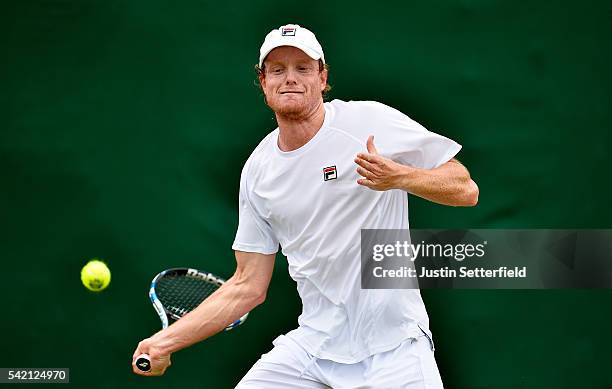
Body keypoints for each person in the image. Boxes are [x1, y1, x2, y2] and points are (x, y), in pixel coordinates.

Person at [132, 24, 479, 388]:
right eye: (278, 70)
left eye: (303, 68)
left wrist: (402, 177)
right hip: (313, 348)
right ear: (263, 82)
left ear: (322, 77)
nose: (290, 79)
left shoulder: (368, 122)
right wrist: (163, 342)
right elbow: (247, 285)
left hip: (395, 348)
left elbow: (465, 188)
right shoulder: (258, 171)